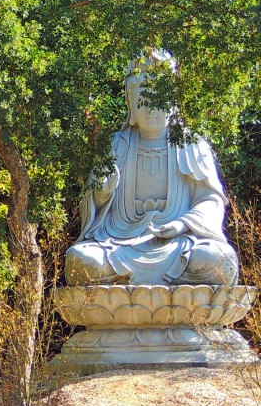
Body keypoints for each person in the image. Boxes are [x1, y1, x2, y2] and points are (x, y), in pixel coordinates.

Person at [65, 48, 238, 287]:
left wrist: (181, 224)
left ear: (172, 102)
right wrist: (103, 192)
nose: (151, 109)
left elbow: (211, 200)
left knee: (219, 260)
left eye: (158, 100)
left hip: (179, 245)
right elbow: (91, 205)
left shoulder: (192, 145)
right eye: (142, 101)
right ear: (130, 105)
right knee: (81, 260)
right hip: (119, 243)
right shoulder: (114, 146)